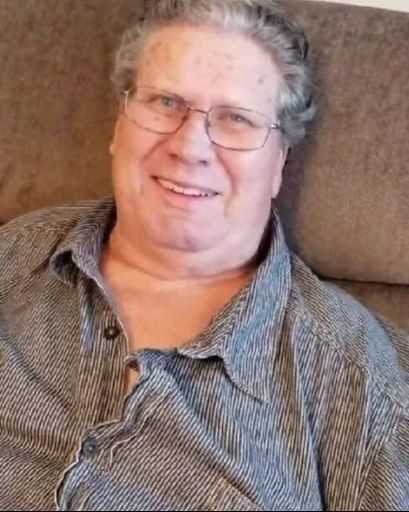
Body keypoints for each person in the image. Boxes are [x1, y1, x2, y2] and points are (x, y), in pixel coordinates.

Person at [1, 0, 408, 510]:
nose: (190, 147)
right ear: (119, 127)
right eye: (165, 102)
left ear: (279, 163)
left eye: (236, 119)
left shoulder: (365, 386)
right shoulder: (15, 256)